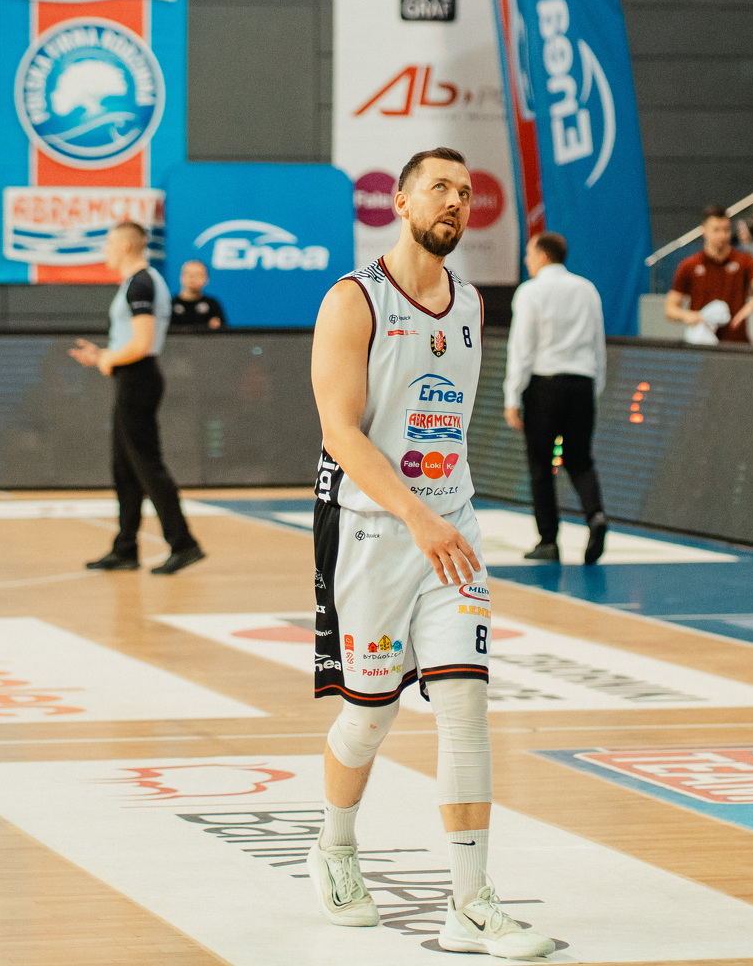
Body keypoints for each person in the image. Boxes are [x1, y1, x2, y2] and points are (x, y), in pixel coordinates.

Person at [304, 146, 555, 960]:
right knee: (370, 713)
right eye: (439, 187)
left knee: (465, 708)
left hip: (451, 530)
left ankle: (470, 903)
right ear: (402, 202)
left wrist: (440, 513)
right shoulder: (353, 301)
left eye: (466, 192)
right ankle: (334, 846)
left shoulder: (472, 303)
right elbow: (340, 434)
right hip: (372, 531)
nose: (455, 200)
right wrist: (415, 514)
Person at [69, 222, 205, 575]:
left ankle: (183, 543)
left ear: (127, 246)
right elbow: (131, 342)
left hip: (138, 379)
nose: (105, 250)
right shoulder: (140, 282)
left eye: (109, 243)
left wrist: (108, 358)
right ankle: (125, 548)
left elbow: (142, 344)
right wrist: (102, 356)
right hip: (132, 378)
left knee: (146, 465)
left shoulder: (141, 283)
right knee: (125, 468)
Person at [502, 231, 609, 564]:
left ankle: (548, 541)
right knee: (580, 460)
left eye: (530, 255)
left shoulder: (530, 292)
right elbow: (598, 343)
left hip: (544, 386)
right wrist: (595, 386)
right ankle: (595, 515)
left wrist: (512, 395)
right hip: (581, 383)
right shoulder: (587, 289)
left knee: (541, 465)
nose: (527, 261)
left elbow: (522, 347)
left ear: (543, 256)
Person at [666, 205, 753, 343]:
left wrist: (749, 307)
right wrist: (690, 316)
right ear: (703, 230)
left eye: (726, 230)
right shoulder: (689, 265)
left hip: (736, 345)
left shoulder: (744, 261)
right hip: (702, 345)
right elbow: (670, 309)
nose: (722, 236)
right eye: (716, 230)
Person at [171, 259, 226, 329]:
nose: (192, 277)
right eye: (188, 273)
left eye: (197, 274)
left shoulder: (212, 305)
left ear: (206, 279)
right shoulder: (170, 305)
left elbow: (223, 331)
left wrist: (216, 327)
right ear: (181, 277)